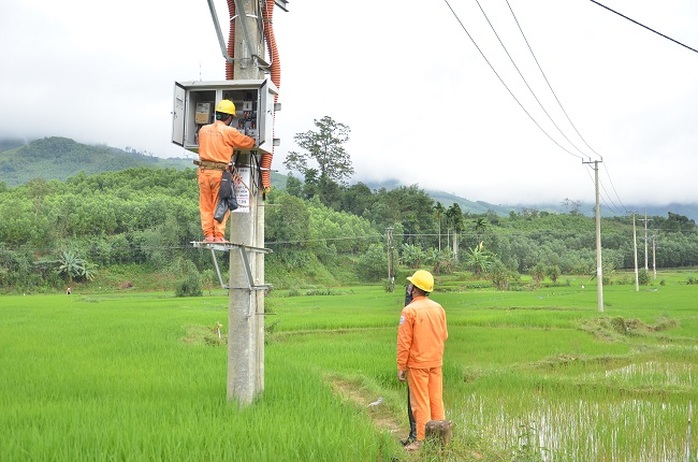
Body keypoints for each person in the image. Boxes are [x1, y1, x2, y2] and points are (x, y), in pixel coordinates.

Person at [396, 270, 448, 451]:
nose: (409, 287)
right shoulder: (438, 308)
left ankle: (421, 439)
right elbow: (444, 336)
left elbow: (404, 342)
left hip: (418, 364)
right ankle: (441, 438)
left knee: (420, 402)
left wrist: (401, 366)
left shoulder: (409, 311)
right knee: (436, 399)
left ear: (415, 289)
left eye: (411, 284)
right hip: (436, 362)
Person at [196, 99, 255, 243]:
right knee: (222, 203)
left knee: (206, 205)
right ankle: (219, 236)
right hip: (219, 174)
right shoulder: (229, 131)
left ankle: (209, 235)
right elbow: (249, 143)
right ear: (229, 117)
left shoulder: (203, 130)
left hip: (203, 172)